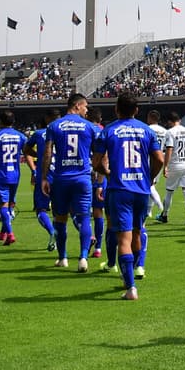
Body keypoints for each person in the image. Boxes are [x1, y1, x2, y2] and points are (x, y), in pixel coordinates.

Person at [92, 92, 164, 300]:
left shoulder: (108, 131)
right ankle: (131, 272)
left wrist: (107, 173)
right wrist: (149, 178)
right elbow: (159, 159)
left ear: (116, 109)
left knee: (123, 237)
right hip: (141, 190)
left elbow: (96, 162)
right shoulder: (146, 131)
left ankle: (130, 287)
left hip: (119, 189)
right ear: (136, 110)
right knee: (136, 232)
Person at [41, 93, 97, 272]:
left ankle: (63, 257)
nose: (87, 110)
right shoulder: (90, 127)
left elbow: (48, 153)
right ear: (77, 105)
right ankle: (83, 258)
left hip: (61, 179)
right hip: (82, 179)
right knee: (84, 218)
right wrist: (97, 172)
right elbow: (98, 154)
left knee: (60, 219)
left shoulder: (54, 126)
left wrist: (43, 177)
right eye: (85, 106)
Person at [0, 111, 26, 246]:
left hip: (1, 174)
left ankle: (10, 233)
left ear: (0, 122)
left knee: (2, 205)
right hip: (15, 174)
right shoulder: (21, 136)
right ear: (13, 122)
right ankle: (3, 232)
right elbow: (27, 152)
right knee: (10, 204)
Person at [24, 107, 60, 251]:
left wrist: (39, 156)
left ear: (46, 119)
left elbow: (26, 149)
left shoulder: (39, 134)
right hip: (62, 175)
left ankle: (52, 232)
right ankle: (88, 236)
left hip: (44, 175)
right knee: (63, 212)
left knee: (41, 210)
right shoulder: (64, 131)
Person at [159, 110, 185, 225]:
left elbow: (169, 149)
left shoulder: (170, 132)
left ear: (170, 122)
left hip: (175, 164)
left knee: (169, 191)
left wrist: (165, 166)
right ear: (179, 120)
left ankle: (164, 215)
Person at [87, 106, 107, 258]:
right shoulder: (105, 131)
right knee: (99, 212)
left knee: (80, 211)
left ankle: (88, 238)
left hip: (84, 174)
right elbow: (105, 157)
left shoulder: (85, 129)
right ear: (100, 119)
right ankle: (98, 248)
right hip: (102, 174)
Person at [143, 109, 167, 217]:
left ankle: (161, 208)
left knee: (149, 185)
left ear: (150, 118)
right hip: (160, 159)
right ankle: (149, 211)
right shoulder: (164, 131)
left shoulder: (147, 129)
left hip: (148, 159)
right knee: (153, 184)